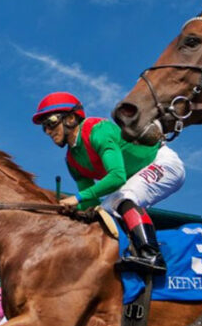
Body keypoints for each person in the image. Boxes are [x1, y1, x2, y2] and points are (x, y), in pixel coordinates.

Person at [32, 91, 186, 274]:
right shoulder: (71, 160)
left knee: (123, 198)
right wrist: (75, 214)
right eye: (44, 128)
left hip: (162, 163)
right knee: (103, 214)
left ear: (71, 119)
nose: (48, 132)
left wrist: (77, 198)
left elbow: (117, 177)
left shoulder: (98, 131)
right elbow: (91, 204)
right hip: (132, 179)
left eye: (50, 123)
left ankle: (151, 255)